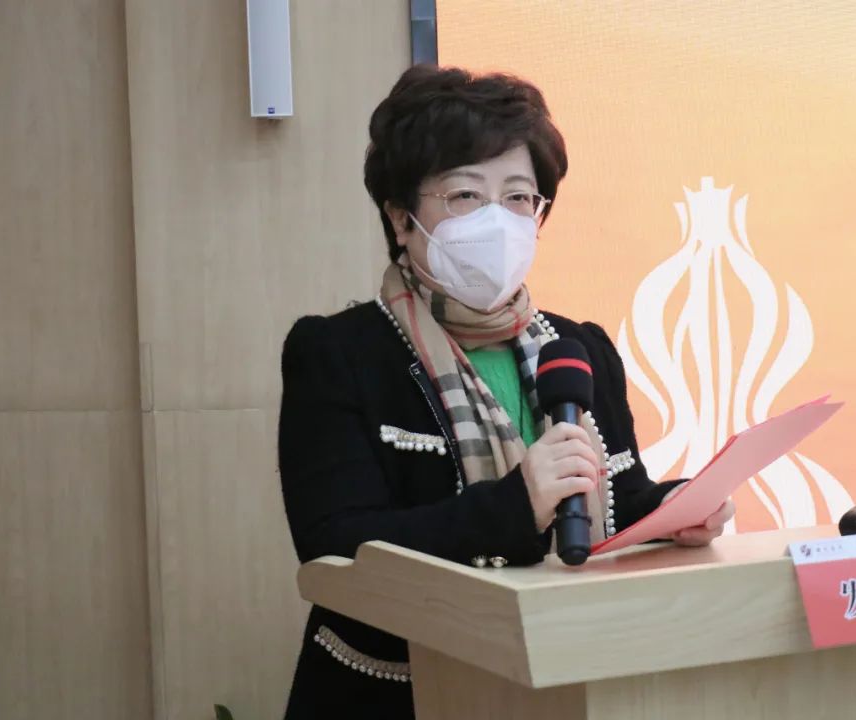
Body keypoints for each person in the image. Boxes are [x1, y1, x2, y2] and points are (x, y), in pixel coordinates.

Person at [278, 65, 735, 719]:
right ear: (402, 218)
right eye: (466, 195)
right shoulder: (338, 354)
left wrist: (675, 510)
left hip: (565, 684)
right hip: (393, 694)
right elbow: (336, 545)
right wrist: (516, 504)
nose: (499, 220)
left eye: (519, 197)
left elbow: (613, 503)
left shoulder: (577, 347)